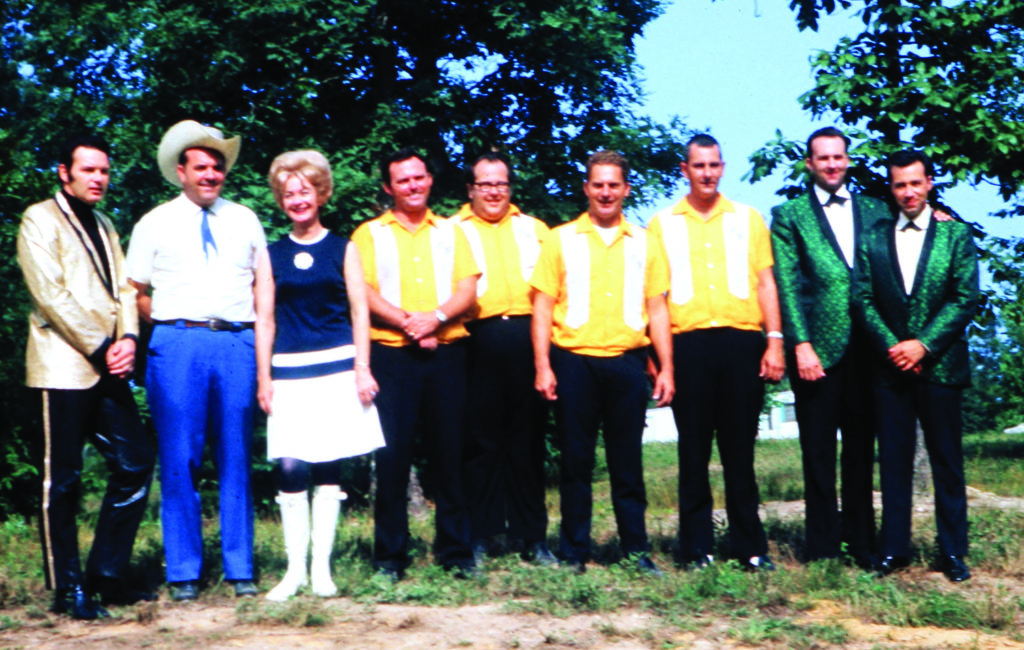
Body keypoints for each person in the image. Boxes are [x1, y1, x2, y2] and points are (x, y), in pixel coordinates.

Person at [126, 120, 270, 600]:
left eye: (217, 167)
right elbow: (135, 292)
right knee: (180, 457)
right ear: (181, 172)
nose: (210, 175)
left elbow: (260, 285)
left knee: (235, 455)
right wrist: (172, 322)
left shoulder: (245, 219)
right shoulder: (154, 222)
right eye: (201, 167)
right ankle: (184, 571)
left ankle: (240, 567)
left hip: (234, 344)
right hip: (178, 343)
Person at [16, 134, 156, 619]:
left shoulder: (106, 223)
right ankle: (66, 588)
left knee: (136, 461)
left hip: (111, 364)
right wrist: (102, 347)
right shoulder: (39, 218)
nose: (99, 178)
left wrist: (131, 341)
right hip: (62, 367)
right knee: (63, 480)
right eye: (89, 170)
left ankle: (106, 575)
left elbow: (125, 289)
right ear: (64, 172)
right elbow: (50, 296)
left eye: (104, 171)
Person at [531, 150, 674, 575]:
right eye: (598, 184)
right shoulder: (559, 239)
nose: (606, 192)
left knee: (627, 463)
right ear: (586, 188)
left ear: (626, 189)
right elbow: (542, 306)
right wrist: (543, 365)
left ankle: (636, 551)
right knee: (576, 462)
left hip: (628, 363)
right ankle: (574, 551)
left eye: (614, 185)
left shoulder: (647, 242)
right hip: (574, 360)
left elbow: (659, 309)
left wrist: (665, 366)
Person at [647, 134, 785, 571]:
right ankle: (696, 549)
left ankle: (750, 547)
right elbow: (656, 298)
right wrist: (662, 363)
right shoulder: (662, 223)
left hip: (741, 342)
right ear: (684, 170)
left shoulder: (747, 218)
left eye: (713, 165)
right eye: (698, 166)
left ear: (722, 168)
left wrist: (774, 340)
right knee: (693, 452)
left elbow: (766, 283)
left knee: (739, 451)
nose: (706, 173)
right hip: (688, 346)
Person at [257, 150, 386, 601]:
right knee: (291, 465)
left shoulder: (343, 248)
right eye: (289, 193)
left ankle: (321, 571)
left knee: (329, 464)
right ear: (281, 200)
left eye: (305, 191)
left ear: (321, 194)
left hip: (337, 369)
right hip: (289, 373)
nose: (297, 199)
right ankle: (293, 572)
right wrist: (263, 378)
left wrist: (362, 368)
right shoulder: (271, 254)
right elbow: (266, 320)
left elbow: (359, 312)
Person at [350, 149, 480, 581]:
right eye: (402, 180)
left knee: (451, 454)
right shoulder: (369, 234)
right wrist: (408, 322)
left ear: (429, 180)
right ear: (388, 187)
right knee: (392, 459)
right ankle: (390, 558)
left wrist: (435, 318)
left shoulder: (451, 231)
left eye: (419, 178)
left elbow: (467, 291)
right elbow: (363, 292)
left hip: (447, 352)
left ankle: (457, 553)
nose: (412, 186)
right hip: (392, 354)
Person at [852, 150, 979, 583]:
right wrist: (894, 346)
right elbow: (862, 298)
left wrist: (923, 345)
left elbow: (966, 298)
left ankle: (953, 553)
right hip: (890, 369)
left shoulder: (956, 235)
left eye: (914, 183)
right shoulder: (873, 238)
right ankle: (894, 551)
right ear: (891, 188)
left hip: (939, 366)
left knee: (947, 462)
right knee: (892, 462)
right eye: (899, 185)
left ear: (929, 184)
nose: (907, 192)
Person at [769, 127, 889, 567]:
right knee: (818, 451)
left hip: (868, 349)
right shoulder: (789, 215)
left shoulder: (877, 210)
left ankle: (862, 545)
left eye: (839, 157)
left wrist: (940, 218)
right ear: (809, 164)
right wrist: (799, 343)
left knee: (860, 450)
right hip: (817, 350)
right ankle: (821, 548)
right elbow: (787, 283)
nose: (832, 165)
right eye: (823, 158)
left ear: (848, 160)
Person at [454, 152, 555, 565]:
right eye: (485, 184)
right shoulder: (452, 230)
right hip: (475, 341)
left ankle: (534, 538)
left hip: (529, 340)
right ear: (471, 189)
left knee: (528, 443)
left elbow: (553, 290)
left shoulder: (535, 229)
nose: (493, 192)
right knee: (480, 443)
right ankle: (480, 536)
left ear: (510, 187)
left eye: (501, 183)